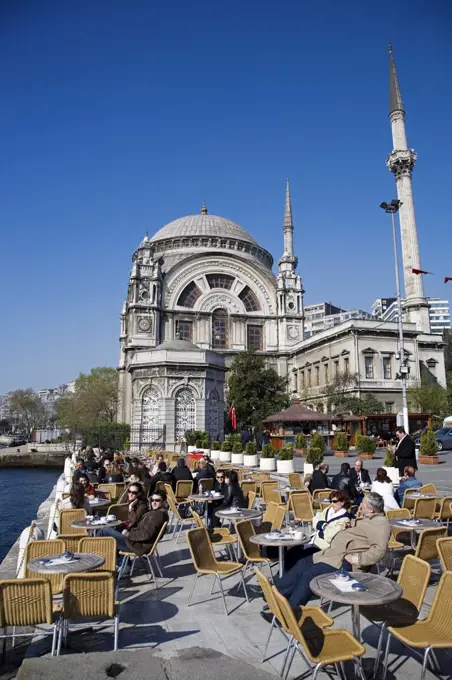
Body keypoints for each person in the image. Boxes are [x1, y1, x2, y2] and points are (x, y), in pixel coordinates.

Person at [274, 492, 390, 608]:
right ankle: (276, 596)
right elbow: (362, 533)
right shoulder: (368, 518)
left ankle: (290, 613)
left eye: (363, 503)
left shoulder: (380, 524)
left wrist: (356, 559)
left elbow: (379, 550)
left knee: (309, 575)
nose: (360, 504)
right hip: (333, 554)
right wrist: (349, 525)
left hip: (344, 562)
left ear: (371, 510)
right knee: (303, 562)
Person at [99, 488, 168, 556]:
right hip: (137, 542)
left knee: (104, 531)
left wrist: (128, 534)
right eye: (152, 500)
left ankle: (94, 553)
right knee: (115, 529)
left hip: (136, 546)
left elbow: (146, 534)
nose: (154, 502)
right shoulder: (160, 513)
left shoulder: (157, 515)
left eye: (157, 500)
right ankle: (121, 561)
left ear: (164, 502)